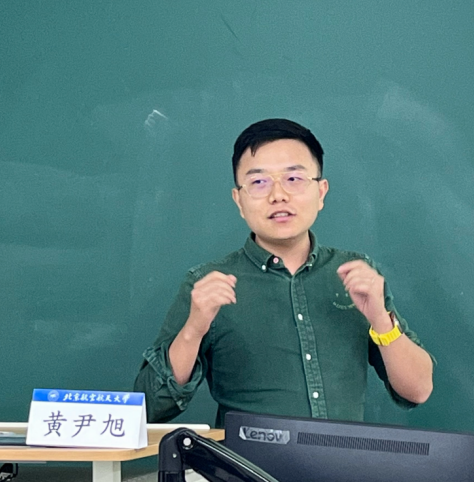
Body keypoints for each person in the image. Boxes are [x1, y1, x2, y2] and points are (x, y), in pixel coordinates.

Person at [134, 118, 433, 426]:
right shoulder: (206, 284)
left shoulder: (356, 275)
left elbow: (418, 390)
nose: (278, 195)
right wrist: (193, 330)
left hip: (343, 458)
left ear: (321, 192)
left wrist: (380, 319)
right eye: (259, 182)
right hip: (245, 458)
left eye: (293, 179)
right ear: (239, 200)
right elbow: (149, 408)